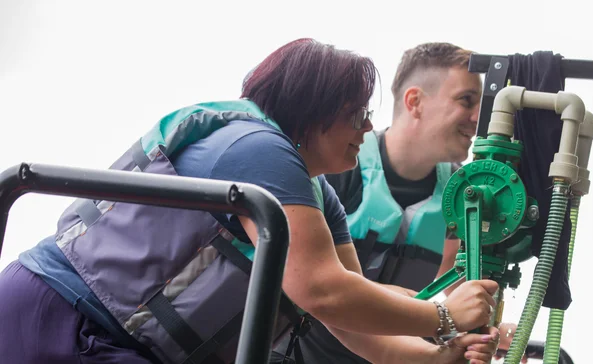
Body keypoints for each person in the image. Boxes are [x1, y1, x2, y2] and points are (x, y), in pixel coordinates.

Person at [0, 38, 501, 364]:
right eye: (356, 114)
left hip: (120, 341)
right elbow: (321, 292)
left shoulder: (314, 192)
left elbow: (348, 302)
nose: (369, 128)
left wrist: (442, 350)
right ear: (314, 111)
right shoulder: (259, 150)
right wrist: (444, 318)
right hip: (64, 316)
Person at [274, 42, 524, 363]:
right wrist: (444, 319)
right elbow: (321, 290)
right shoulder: (335, 169)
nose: (478, 117)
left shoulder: (463, 192)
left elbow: (453, 282)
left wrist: (487, 331)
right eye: (466, 100)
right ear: (415, 102)